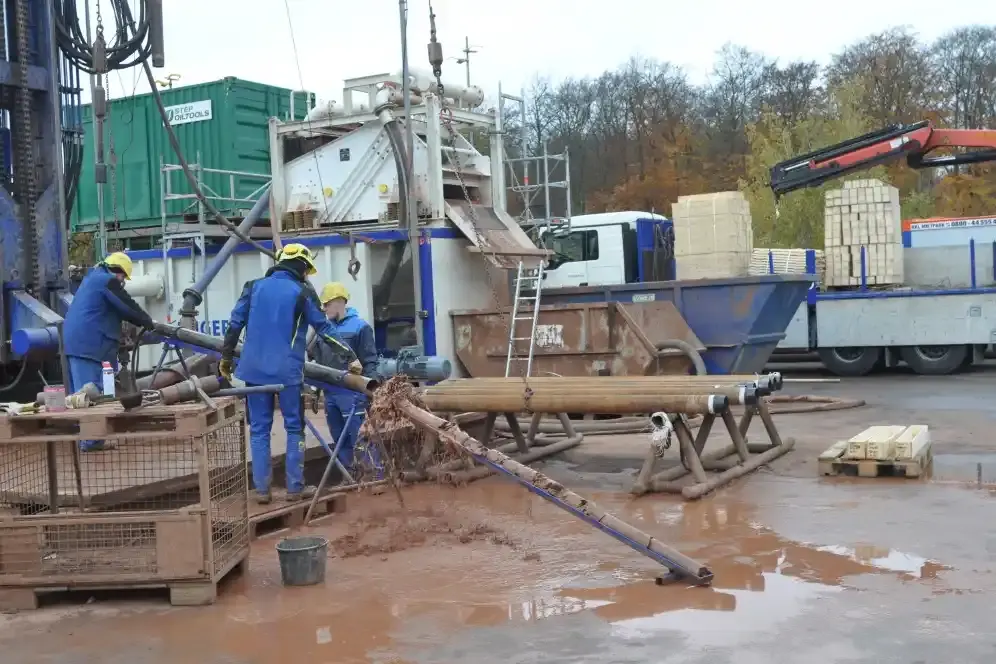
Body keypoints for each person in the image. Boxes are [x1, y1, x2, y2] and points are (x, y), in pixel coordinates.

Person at [220, 243, 361, 505]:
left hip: (254, 372)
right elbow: (324, 329)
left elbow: (234, 325)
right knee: (293, 427)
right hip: (287, 374)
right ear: (302, 267)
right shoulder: (303, 292)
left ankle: (262, 490)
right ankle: (295, 487)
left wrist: (226, 359)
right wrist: (350, 356)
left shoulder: (253, 286)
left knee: (260, 430)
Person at [63, 252, 155, 452]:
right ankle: (90, 442)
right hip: (88, 345)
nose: (123, 282)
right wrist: (147, 321)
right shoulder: (106, 281)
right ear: (118, 271)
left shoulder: (93, 279)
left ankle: (92, 440)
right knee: (88, 393)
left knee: (90, 392)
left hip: (83, 344)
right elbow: (126, 305)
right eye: (123, 277)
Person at [307, 282, 379, 471]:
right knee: (340, 439)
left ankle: (373, 476)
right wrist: (315, 391)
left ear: (339, 302)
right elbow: (316, 363)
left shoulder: (360, 327)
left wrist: (371, 391)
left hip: (353, 394)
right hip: (331, 394)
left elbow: (370, 361)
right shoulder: (323, 330)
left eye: (326, 304)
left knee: (361, 437)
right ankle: (351, 478)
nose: (323, 309)